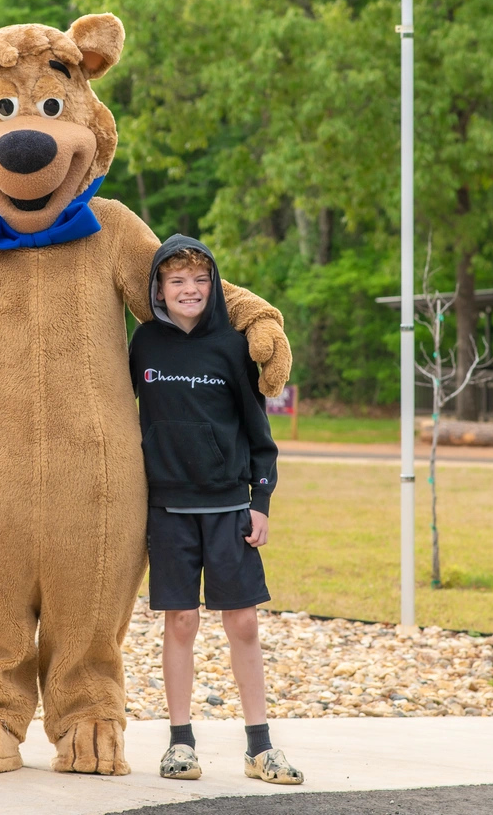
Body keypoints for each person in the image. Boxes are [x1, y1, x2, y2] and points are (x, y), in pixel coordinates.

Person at [128, 234, 303, 786]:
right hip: (168, 508)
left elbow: (260, 434)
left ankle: (260, 747)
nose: (190, 290)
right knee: (180, 622)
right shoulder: (144, 344)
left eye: (200, 280)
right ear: (158, 288)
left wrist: (261, 502)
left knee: (243, 623)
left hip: (229, 507)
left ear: (213, 286)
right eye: (177, 280)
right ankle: (180, 744)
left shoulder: (232, 345)